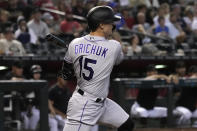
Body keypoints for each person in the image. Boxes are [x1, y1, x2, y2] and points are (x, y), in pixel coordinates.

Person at [62, 6, 134, 131]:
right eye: (110, 22)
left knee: (127, 124)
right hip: (84, 105)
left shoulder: (74, 43)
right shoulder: (114, 45)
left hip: (102, 103)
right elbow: (118, 60)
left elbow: (65, 74)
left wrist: (76, 68)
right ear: (101, 25)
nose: (113, 25)